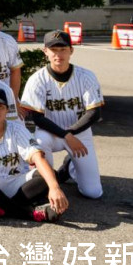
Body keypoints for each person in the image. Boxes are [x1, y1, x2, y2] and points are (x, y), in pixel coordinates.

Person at [0, 88, 69, 222]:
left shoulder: (17, 129)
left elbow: (37, 157)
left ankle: (0, 208)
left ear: (7, 109)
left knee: (50, 175)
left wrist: (54, 187)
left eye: (0, 106)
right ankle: (29, 213)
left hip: (15, 183)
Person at [19, 30, 104, 199]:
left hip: (79, 133)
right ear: (46, 52)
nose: (58, 54)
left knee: (93, 192)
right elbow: (36, 118)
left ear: (71, 50)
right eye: (53, 50)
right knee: (40, 141)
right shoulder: (37, 79)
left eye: (63, 49)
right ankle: (47, 182)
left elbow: (94, 112)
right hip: (49, 132)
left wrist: (71, 134)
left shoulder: (86, 76)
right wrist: (66, 135)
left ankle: (71, 167)